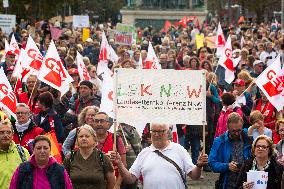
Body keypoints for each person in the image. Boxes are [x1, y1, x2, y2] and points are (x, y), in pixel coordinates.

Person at [110, 123, 208, 189]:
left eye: (161, 131)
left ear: (168, 132)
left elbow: (194, 176)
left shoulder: (179, 150)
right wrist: (119, 163)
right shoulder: (144, 153)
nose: (157, 135)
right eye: (154, 131)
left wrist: (199, 166)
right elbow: (130, 179)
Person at [209, 113, 253, 189]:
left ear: (242, 126)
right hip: (227, 182)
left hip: (245, 182)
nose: (236, 133)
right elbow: (212, 163)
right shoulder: (219, 141)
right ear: (227, 127)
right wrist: (227, 166)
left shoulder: (248, 139)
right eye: (233, 131)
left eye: (239, 130)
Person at [63, 124, 115, 189]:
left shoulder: (102, 157)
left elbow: (111, 181)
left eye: (87, 136)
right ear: (77, 140)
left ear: (94, 139)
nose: (84, 138)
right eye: (81, 136)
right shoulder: (70, 158)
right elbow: (63, 180)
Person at [94, 112, 127, 188]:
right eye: (96, 121)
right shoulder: (88, 138)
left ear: (108, 124)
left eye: (102, 121)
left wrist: (117, 184)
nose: (99, 124)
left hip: (112, 183)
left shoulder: (116, 139)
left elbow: (124, 164)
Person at [0, 120, 30, 189]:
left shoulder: (23, 152)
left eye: (8, 132)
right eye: (1, 132)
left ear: (12, 134)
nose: (5, 135)